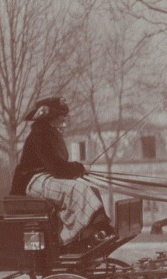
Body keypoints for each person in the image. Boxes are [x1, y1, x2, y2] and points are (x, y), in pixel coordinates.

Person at [10, 96, 113, 250]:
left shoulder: (51, 134)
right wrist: (80, 168)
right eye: (60, 118)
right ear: (50, 119)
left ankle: (93, 230)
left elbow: (59, 168)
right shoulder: (40, 136)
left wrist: (79, 169)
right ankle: (69, 238)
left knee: (91, 189)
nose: (64, 123)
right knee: (78, 189)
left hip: (46, 178)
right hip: (32, 181)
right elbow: (58, 168)